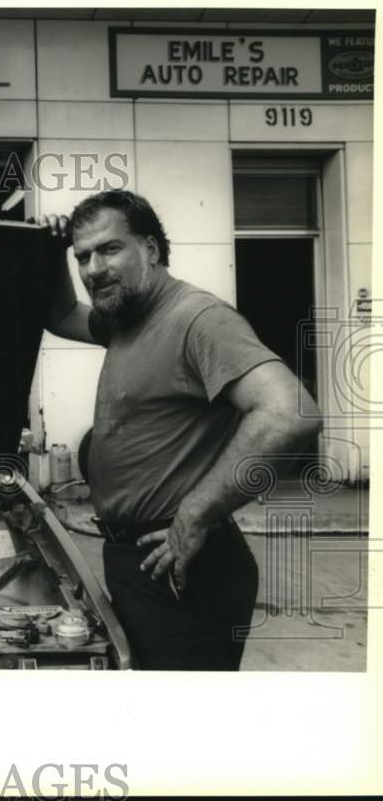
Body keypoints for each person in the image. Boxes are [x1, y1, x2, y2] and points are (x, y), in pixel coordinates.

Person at [37, 190, 322, 670]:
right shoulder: (125, 319)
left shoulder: (196, 318)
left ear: (150, 249)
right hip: (138, 557)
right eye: (82, 256)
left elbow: (290, 413)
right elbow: (61, 315)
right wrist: (48, 253)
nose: (92, 269)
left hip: (179, 560)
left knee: (183, 727)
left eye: (109, 249)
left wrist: (196, 512)